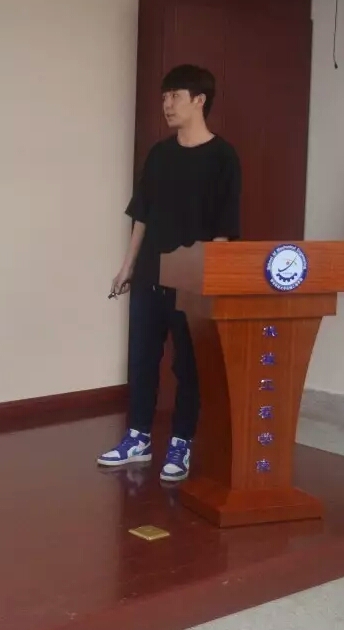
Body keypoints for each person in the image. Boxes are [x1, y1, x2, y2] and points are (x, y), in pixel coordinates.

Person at [97, 64, 241, 482]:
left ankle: (181, 442)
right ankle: (138, 438)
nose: (167, 104)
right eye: (164, 97)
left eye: (174, 96)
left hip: (193, 282)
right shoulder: (160, 154)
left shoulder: (223, 158)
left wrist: (209, 281)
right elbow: (142, 215)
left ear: (199, 100)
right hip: (150, 275)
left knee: (188, 365)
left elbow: (224, 230)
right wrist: (127, 267)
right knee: (142, 357)